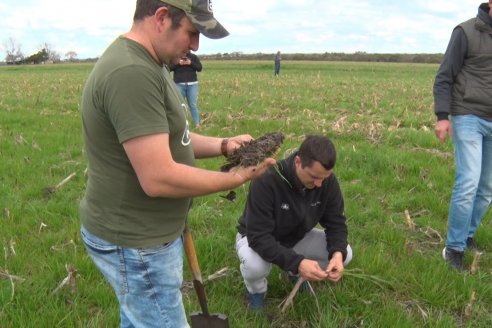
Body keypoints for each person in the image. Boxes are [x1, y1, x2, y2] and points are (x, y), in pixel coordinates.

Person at [79, 1, 275, 327]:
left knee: (138, 319)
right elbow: (158, 178)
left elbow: (173, 138)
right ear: (161, 18)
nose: (195, 46)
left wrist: (224, 145)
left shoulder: (150, 63)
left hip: (143, 237)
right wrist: (235, 178)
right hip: (137, 243)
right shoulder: (132, 73)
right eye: (192, 32)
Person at [235, 135, 353, 311]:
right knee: (255, 265)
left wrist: (337, 254)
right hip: (255, 238)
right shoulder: (267, 179)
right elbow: (259, 237)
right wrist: (298, 263)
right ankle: (256, 292)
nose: (320, 184)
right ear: (298, 162)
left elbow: (336, 223)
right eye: (314, 177)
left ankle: (294, 272)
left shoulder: (326, 182)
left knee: (346, 254)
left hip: (295, 237)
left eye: (325, 177)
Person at [433, 0, 492, 271]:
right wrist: (442, 116)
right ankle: (454, 248)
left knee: (486, 189)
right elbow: (444, 76)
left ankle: (466, 235)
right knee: (468, 182)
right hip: (467, 115)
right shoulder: (465, 32)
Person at [169, 51, 203, 128]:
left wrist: (190, 63)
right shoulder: (175, 57)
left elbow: (199, 68)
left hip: (192, 84)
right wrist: (178, 63)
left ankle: (197, 124)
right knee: (180, 106)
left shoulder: (193, 57)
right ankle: (181, 125)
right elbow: (169, 68)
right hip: (179, 84)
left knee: (193, 105)